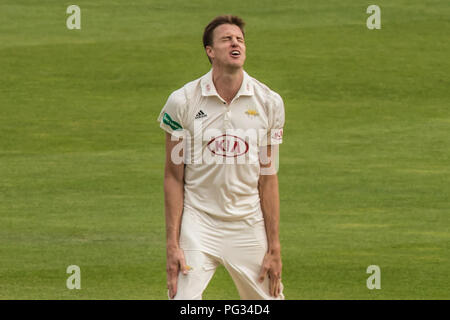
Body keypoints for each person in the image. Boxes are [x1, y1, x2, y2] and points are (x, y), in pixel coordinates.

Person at [157, 15, 285, 300]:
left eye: (239, 39)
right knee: (183, 301)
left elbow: (268, 177)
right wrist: (172, 243)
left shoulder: (269, 103)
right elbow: (173, 177)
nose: (235, 43)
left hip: (247, 223)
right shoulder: (183, 102)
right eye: (226, 39)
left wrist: (274, 247)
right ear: (210, 51)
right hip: (198, 221)